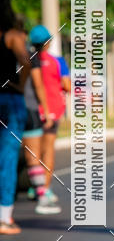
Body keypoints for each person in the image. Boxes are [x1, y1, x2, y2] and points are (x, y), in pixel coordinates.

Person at [0, 0, 31, 234]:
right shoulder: (13, 36)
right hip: (10, 98)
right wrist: (20, 85)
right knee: (8, 158)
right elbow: (27, 62)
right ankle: (5, 217)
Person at [30, 25, 71, 205]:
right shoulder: (58, 62)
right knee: (48, 151)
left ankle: (34, 185)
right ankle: (44, 189)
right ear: (49, 42)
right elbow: (67, 86)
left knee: (33, 152)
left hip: (31, 110)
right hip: (52, 111)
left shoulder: (28, 61)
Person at [21, 29, 60, 215]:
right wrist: (47, 111)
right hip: (34, 111)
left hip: (9, 108)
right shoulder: (47, 60)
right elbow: (38, 86)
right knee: (38, 154)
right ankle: (43, 194)